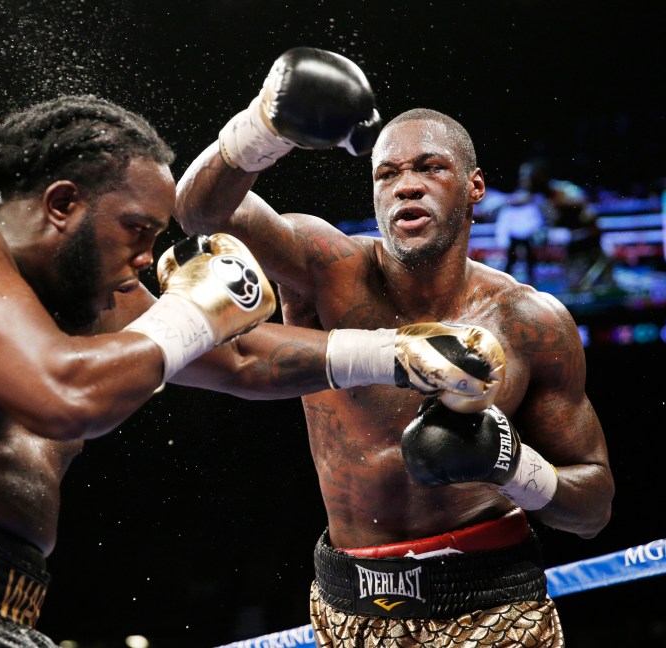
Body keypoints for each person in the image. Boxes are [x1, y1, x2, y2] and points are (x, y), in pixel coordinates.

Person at [0, 95, 505, 647]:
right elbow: (65, 394)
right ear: (61, 205)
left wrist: (398, 352)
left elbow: (243, 359)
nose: (150, 259)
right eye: (137, 232)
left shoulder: (88, 295)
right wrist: (191, 311)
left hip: (4, 599)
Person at [175, 48, 614, 646]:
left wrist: (512, 466)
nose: (406, 185)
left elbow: (592, 508)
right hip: (347, 605)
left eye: (429, 168)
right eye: (387, 174)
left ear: (474, 186)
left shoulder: (530, 322)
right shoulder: (327, 266)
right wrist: (263, 126)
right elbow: (198, 210)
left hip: (491, 606)